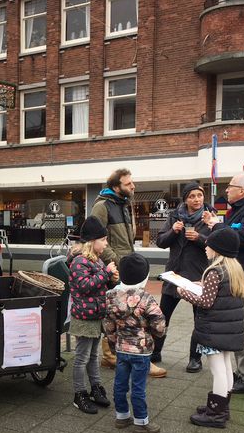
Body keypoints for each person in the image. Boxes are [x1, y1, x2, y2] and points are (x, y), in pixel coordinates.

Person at [91, 169, 167, 378]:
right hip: (116, 267)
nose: (133, 187)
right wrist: (116, 261)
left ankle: (119, 355)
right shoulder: (102, 206)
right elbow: (94, 238)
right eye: (128, 184)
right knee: (117, 311)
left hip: (126, 265)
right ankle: (113, 356)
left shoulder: (123, 204)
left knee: (128, 311)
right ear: (117, 187)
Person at [202, 174, 244, 394]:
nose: (227, 191)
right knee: (238, 323)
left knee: (243, 326)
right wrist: (218, 225)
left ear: (242, 190)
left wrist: (217, 226)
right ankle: (243, 373)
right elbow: (236, 234)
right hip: (236, 273)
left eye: (230, 187)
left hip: (241, 276)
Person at [177, 227, 244, 428]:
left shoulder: (214, 271)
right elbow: (218, 295)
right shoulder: (235, 270)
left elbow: (206, 302)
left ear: (218, 249)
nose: (205, 246)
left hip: (213, 329)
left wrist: (184, 292)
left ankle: (215, 415)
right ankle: (221, 407)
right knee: (226, 368)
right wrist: (197, 285)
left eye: (209, 244)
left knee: (218, 371)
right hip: (227, 330)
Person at [103, 253, 166, 433]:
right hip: (142, 350)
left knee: (120, 384)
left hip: (121, 348)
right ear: (144, 278)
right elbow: (159, 323)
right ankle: (141, 422)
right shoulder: (145, 297)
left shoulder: (110, 295)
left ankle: (122, 416)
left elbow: (108, 324)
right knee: (138, 387)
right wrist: (156, 335)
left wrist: (114, 341)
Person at [154, 181, 213, 373]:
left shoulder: (210, 217)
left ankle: (195, 359)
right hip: (175, 275)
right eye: (192, 196)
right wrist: (174, 231)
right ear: (185, 199)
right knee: (161, 316)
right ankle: (155, 352)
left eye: (199, 195)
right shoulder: (174, 216)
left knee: (200, 320)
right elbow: (161, 242)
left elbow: (220, 243)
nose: (196, 199)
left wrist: (200, 239)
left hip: (198, 276)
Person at [67, 216, 120, 414]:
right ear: (92, 241)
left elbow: (100, 285)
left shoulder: (95, 260)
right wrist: (105, 274)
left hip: (96, 315)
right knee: (82, 358)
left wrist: (111, 280)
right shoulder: (79, 261)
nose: (106, 244)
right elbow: (85, 286)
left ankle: (96, 388)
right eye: (104, 240)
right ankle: (79, 394)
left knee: (93, 355)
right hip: (83, 317)